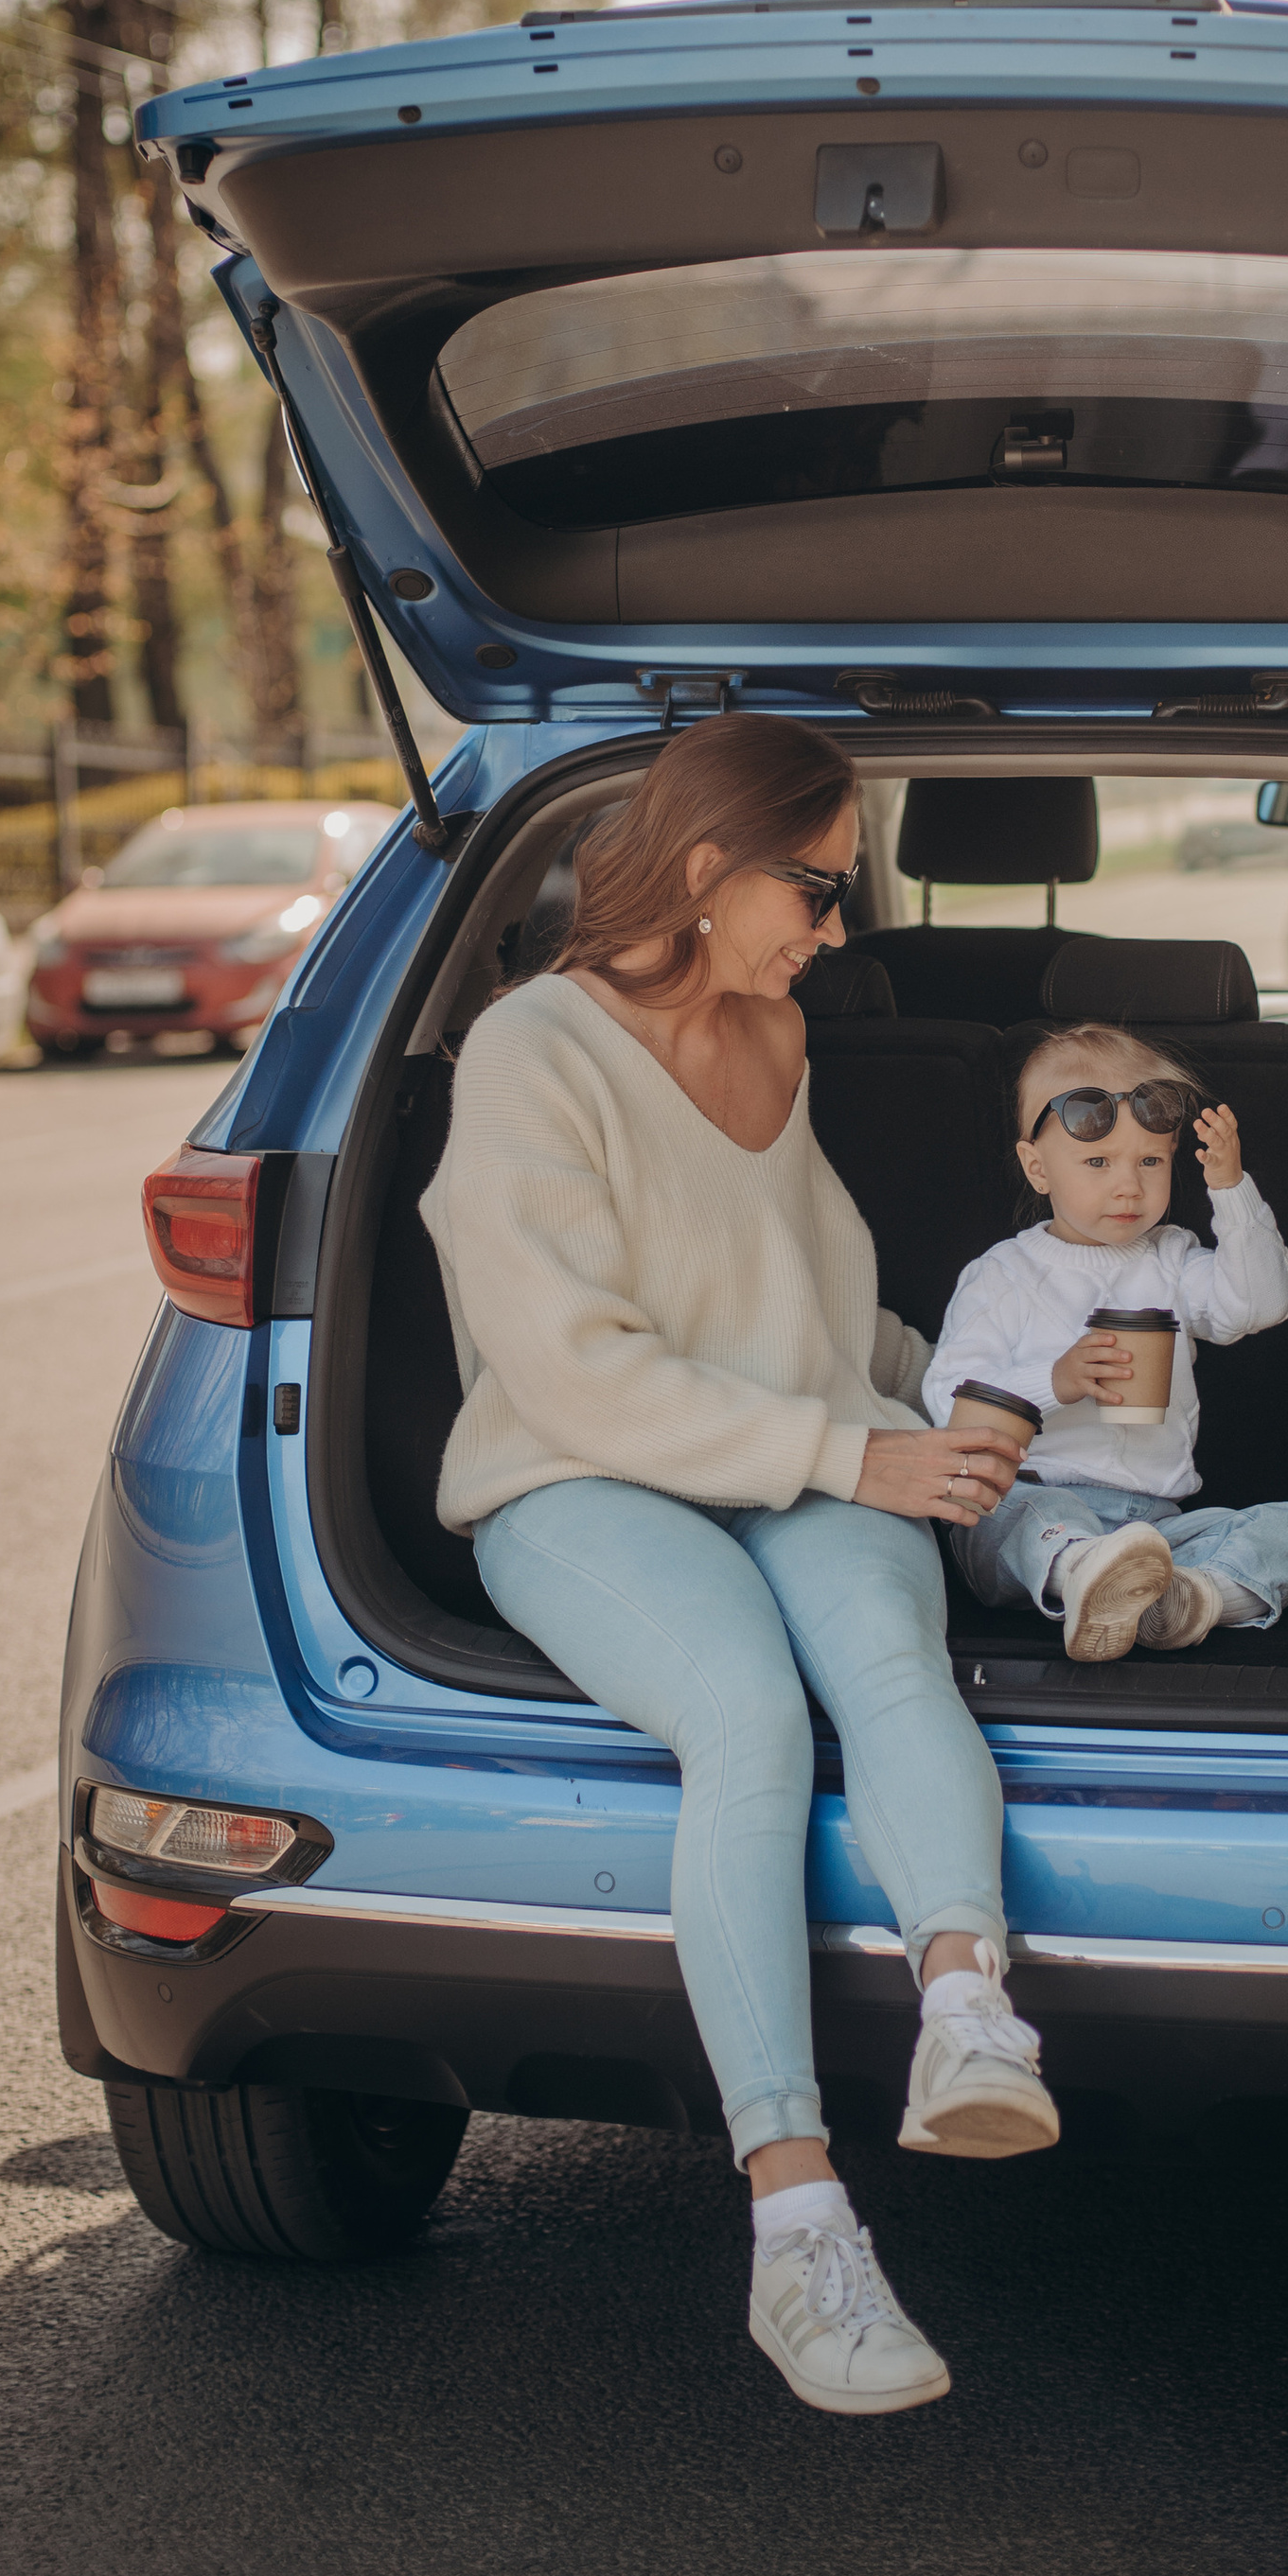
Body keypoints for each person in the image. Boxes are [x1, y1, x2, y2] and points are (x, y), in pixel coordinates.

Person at [422, 712, 1055, 2420]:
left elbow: (800, 1301)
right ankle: (799, 2224)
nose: (838, 931)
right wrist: (856, 1451)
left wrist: (963, 1388)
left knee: (892, 1663)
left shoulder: (779, 1029)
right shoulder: (528, 1049)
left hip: (797, 1440)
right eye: (823, 886)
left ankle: (970, 2009)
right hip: (578, 1476)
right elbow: (574, 1366)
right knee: (753, 1719)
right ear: (706, 867)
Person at [926, 1022, 1288, 1660]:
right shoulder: (1004, 1274)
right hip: (1031, 1495)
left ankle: (1185, 1599)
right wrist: (1054, 1382)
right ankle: (1086, 1573)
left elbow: (1259, 1305)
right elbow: (948, 1401)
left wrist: (1231, 1190)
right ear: (1038, 1169)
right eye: (1097, 1162)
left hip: (1154, 1524)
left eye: (1150, 1161)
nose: (1128, 1186)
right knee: (1019, 1518)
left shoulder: (1170, 1257)